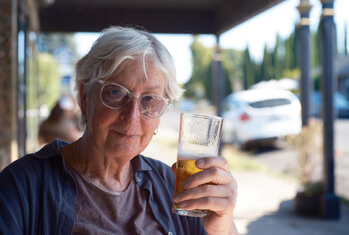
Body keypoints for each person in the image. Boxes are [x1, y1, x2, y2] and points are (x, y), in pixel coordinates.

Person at [0, 26, 238, 234]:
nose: (132, 116)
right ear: (84, 96)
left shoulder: (170, 185)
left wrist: (222, 228)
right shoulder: (23, 186)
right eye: (116, 92)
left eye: (149, 100)